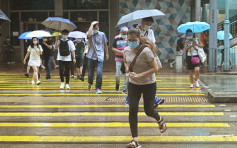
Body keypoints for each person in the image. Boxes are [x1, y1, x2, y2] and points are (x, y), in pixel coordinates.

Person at [124, 28, 167, 148]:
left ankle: (159, 119)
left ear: (139, 39)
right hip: (133, 85)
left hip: (149, 84)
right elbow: (126, 62)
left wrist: (139, 75)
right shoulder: (126, 50)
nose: (131, 42)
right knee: (132, 110)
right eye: (129, 40)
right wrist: (128, 69)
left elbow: (155, 68)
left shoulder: (146, 51)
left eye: (134, 40)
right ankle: (135, 140)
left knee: (148, 111)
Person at [130, 17, 165, 107]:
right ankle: (131, 98)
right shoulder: (135, 31)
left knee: (151, 77)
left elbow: (152, 44)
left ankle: (152, 100)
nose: (148, 26)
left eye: (150, 25)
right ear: (142, 22)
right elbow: (131, 44)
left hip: (148, 56)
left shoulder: (150, 32)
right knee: (135, 80)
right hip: (137, 58)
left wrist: (145, 40)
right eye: (147, 24)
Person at [87, 21, 109, 94]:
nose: (96, 29)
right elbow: (89, 34)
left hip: (100, 56)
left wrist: (107, 54)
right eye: (94, 27)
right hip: (91, 56)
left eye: (97, 27)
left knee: (99, 73)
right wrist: (91, 24)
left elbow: (105, 44)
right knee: (90, 74)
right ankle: (90, 83)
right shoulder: (89, 33)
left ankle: (98, 88)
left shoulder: (102, 34)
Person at [111, 26, 129, 92]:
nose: (124, 34)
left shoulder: (129, 38)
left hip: (127, 59)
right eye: (123, 33)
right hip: (118, 58)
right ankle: (117, 84)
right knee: (118, 73)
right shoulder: (116, 38)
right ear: (120, 32)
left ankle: (124, 88)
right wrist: (120, 52)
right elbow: (113, 48)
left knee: (127, 74)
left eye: (126, 33)